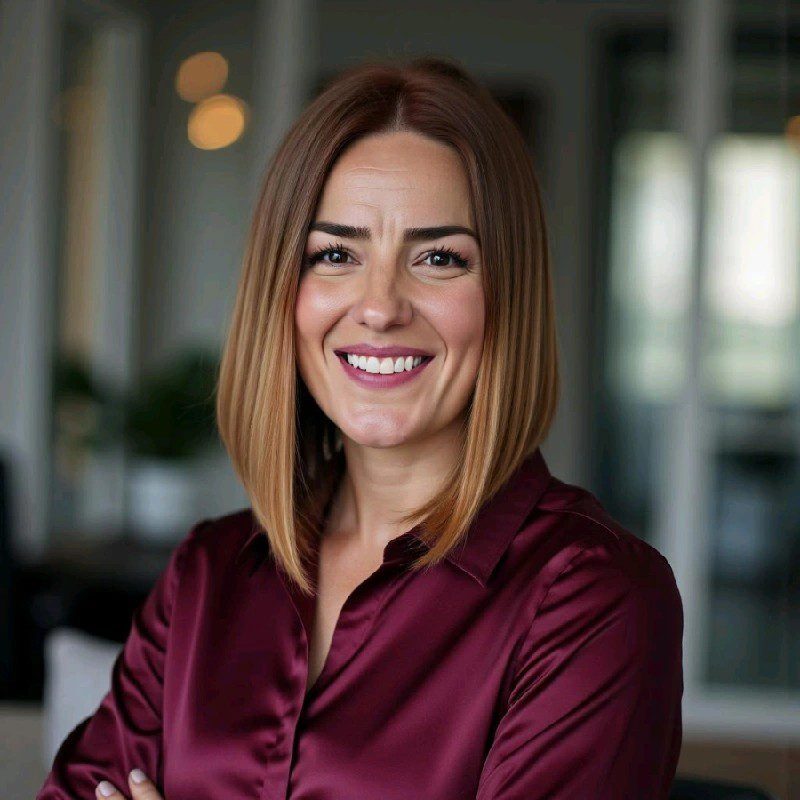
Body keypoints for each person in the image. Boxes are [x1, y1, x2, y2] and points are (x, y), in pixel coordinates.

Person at [37, 56, 683, 800]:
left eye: (439, 258)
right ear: (284, 291)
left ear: (508, 295)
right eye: (335, 254)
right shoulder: (209, 572)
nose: (379, 306)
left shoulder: (595, 597)